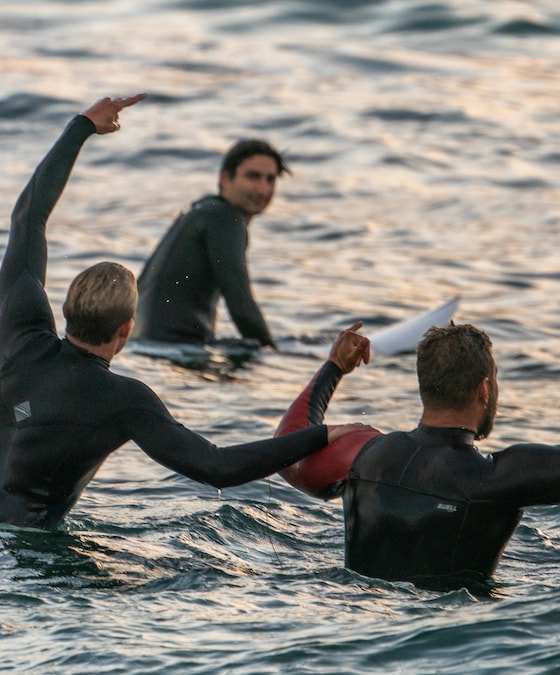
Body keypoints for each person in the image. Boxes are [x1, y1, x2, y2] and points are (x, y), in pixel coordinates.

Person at [0, 95, 369, 530]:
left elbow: (29, 216)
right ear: (126, 330)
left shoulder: (21, 330)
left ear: (64, 308)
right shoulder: (125, 399)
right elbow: (216, 467)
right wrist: (320, 434)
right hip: (27, 542)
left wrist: (82, 126)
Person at [274, 311, 560, 590]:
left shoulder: (364, 454)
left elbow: (288, 448)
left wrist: (333, 368)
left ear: (424, 386)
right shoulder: (497, 479)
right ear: (484, 389)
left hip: (359, 620)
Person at [133, 136, 290, 347]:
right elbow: (241, 304)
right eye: (253, 177)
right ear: (225, 178)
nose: (263, 189)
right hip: (175, 347)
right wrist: (272, 352)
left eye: (270, 179)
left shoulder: (201, 212)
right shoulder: (225, 218)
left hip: (144, 344)